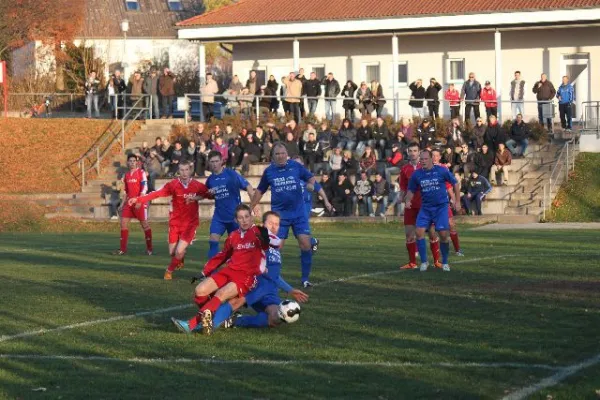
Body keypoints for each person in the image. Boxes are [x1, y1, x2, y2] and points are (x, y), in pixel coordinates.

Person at [173, 211, 309, 333]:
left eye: (277, 224)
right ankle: (202, 325)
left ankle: (234, 321)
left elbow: (273, 274)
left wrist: (289, 289)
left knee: (274, 319)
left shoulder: (274, 245)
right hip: (251, 286)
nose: (274, 227)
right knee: (233, 302)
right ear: (262, 224)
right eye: (270, 223)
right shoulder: (254, 240)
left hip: (268, 291)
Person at [174, 205, 271, 335]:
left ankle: (191, 325)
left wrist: (265, 238)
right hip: (229, 270)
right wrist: (204, 272)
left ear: (251, 217)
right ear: (236, 220)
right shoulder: (233, 236)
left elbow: (266, 245)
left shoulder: (258, 232)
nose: (244, 220)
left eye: (247, 217)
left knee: (221, 293)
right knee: (200, 291)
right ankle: (211, 318)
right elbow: (223, 255)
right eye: (240, 218)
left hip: (247, 276)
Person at [250, 143, 333, 287]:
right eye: (277, 154)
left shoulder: (296, 166)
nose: (280, 156)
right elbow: (259, 191)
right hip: (279, 217)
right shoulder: (269, 172)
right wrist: (251, 207)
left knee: (306, 245)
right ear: (273, 156)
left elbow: (311, 179)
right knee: (275, 248)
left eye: (283, 153)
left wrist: (320, 194)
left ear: (286, 154)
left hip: (299, 214)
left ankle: (305, 280)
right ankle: (271, 278)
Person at [128, 161, 212, 280]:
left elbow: (208, 194)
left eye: (186, 170)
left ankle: (169, 271)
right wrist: (138, 199)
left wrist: (201, 196)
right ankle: (180, 258)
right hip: (175, 224)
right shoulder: (173, 185)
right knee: (172, 253)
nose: (184, 173)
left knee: (178, 251)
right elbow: (156, 194)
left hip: (190, 224)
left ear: (190, 170)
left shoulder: (197, 185)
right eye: (182, 170)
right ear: (178, 171)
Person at [404, 150, 461, 272]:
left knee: (444, 235)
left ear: (431, 159)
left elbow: (455, 183)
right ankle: (424, 262)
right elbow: (410, 190)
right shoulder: (417, 174)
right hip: (425, 208)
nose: (423, 161)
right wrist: (408, 200)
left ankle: (445, 262)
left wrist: (457, 201)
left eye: (425, 159)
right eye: (421, 159)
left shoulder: (441, 170)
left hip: (441, 207)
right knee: (419, 232)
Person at [399, 143, 446, 270]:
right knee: (409, 235)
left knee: (431, 233)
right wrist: (401, 199)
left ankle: (437, 261)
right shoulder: (404, 169)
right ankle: (412, 263)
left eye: (415, 150)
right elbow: (403, 188)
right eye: (410, 151)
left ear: (419, 152)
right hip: (410, 207)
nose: (413, 153)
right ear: (408, 152)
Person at [203, 150, 256, 259]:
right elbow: (208, 194)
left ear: (222, 161)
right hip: (219, 217)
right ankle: (211, 272)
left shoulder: (231, 174)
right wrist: (209, 194)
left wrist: (254, 205)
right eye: (212, 162)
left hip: (234, 217)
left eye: (216, 161)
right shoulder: (210, 180)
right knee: (213, 241)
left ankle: (239, 269)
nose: (214, 164)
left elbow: (248, 187)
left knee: (236, 246)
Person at [113, 154, 153, 255]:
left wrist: (139, 200)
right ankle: (122, 249)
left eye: (134, 161)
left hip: (139, 202)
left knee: (145, 225)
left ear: (137, 162)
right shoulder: (126, 175)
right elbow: (126, 192)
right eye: (130, 161)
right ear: (127, 162)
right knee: (123, 224)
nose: (132, 162)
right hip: (129, 203)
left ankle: (149, 249)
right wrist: (122, 205)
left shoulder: (141, 172)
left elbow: (144, 187)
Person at [431, 149, 463, 256]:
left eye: (437, 155)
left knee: (451, 224)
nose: (434, 157)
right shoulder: (425, 169)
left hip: (443, 203)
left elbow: (449, 186)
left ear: (440, 157)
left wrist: (454, 200)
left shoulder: (443, 168)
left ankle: (458, 250)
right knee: (432, 230)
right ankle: (436, 254)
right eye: (433, 155)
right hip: (429, 204)